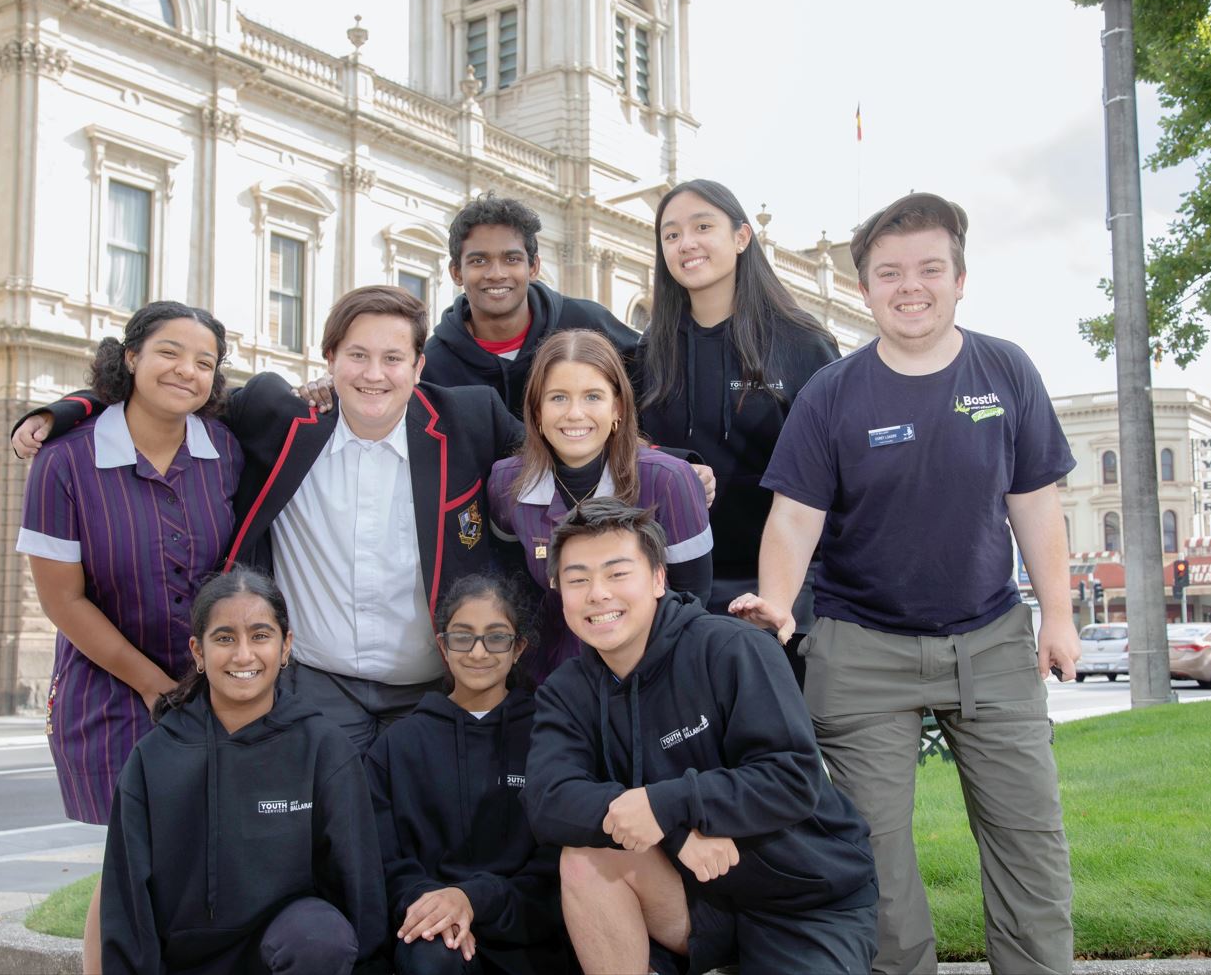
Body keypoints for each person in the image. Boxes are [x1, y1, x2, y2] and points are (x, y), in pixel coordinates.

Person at [732, 192, 1079, 974]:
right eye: (888, 272)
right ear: (864, 290)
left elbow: (1034, 502)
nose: (909, 285)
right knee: (873, 857)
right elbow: (793, 518)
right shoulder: (833, 392)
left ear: (960, 279)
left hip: (990, 639)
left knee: (1030, 842)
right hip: (861, 649)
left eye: (928, 268)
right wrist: (778, 607)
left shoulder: (1005, 370)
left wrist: (1056, 615)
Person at [12, 285, 524, 751]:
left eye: (393, 358)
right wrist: (65, 411)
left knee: (422, 842)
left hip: (434, 688)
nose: (373, 374)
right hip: (317, 690)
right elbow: (169, 390)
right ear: (330, 360)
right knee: (320, 842)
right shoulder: (278, 417)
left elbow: (556, 445)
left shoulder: (471, 419)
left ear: (418, 366)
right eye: (358, 356)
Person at [524, 499, 878, 975]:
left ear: (657, 580)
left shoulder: (733, 649)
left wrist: (670, 804)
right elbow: (549, 802)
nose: (598, 594)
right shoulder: (568, 691)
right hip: (687, 896)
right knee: (585, 858)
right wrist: (673, 829)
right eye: (578, 579)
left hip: (802, 900)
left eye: (617, 573)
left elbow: (791, 778)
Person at [16, 300, 242, 972]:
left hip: (211, 689)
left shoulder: (224, 450)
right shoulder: (64, 460)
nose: (187, 370)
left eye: (205, 361)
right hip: (111, 685)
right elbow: (63, 600)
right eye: (170, 351)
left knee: (199, 854)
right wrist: (155, 685)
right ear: (132, 356)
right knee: (131, 854)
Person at [99, 566, 386, 975]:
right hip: (185, 961)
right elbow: (126, 904)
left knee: (320, 938)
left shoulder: (323, 748)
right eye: (225, 638)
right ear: (199, 652)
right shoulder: (154, 758)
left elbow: (359, 887)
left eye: (261, 635)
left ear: (285, 647)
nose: (244, 655)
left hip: (286, 953)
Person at [638, 179, 841, 685]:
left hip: (788, 588)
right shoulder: (648, 354)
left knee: (780, 747)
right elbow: (625, 449)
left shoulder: (803, 345)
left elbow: (839, 477)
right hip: (678, 588)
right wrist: (675, 464)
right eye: (671, 235)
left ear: (742, 237)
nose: (686, 244)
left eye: (702, 227)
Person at [364, 573, 569, 975]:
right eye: (462, 636)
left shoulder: (548, 735)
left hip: (530, 929)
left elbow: (558, 862)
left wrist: (474, 899)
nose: (478, 652)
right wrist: (440, 907)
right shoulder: (397, 745)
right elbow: (383, 861)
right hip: (436, 933)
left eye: (496, 637)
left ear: (518, 648)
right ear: (443, 645)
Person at [489, 329, 712, 681]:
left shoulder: (669, 480)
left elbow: (693, 598)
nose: (575, 414)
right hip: (552, 680)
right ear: (535, 410)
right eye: (558, 398)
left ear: (618, 407)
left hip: (651, 675)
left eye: (593, 396)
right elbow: (512, 587)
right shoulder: (506, 483)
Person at [424, 193, 640, 418]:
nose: (496, 274)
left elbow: (655, 388)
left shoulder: (588, 323)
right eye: (479, 261)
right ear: (457, 273)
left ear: (533, 267)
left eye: (511, 259)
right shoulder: (433, 366)